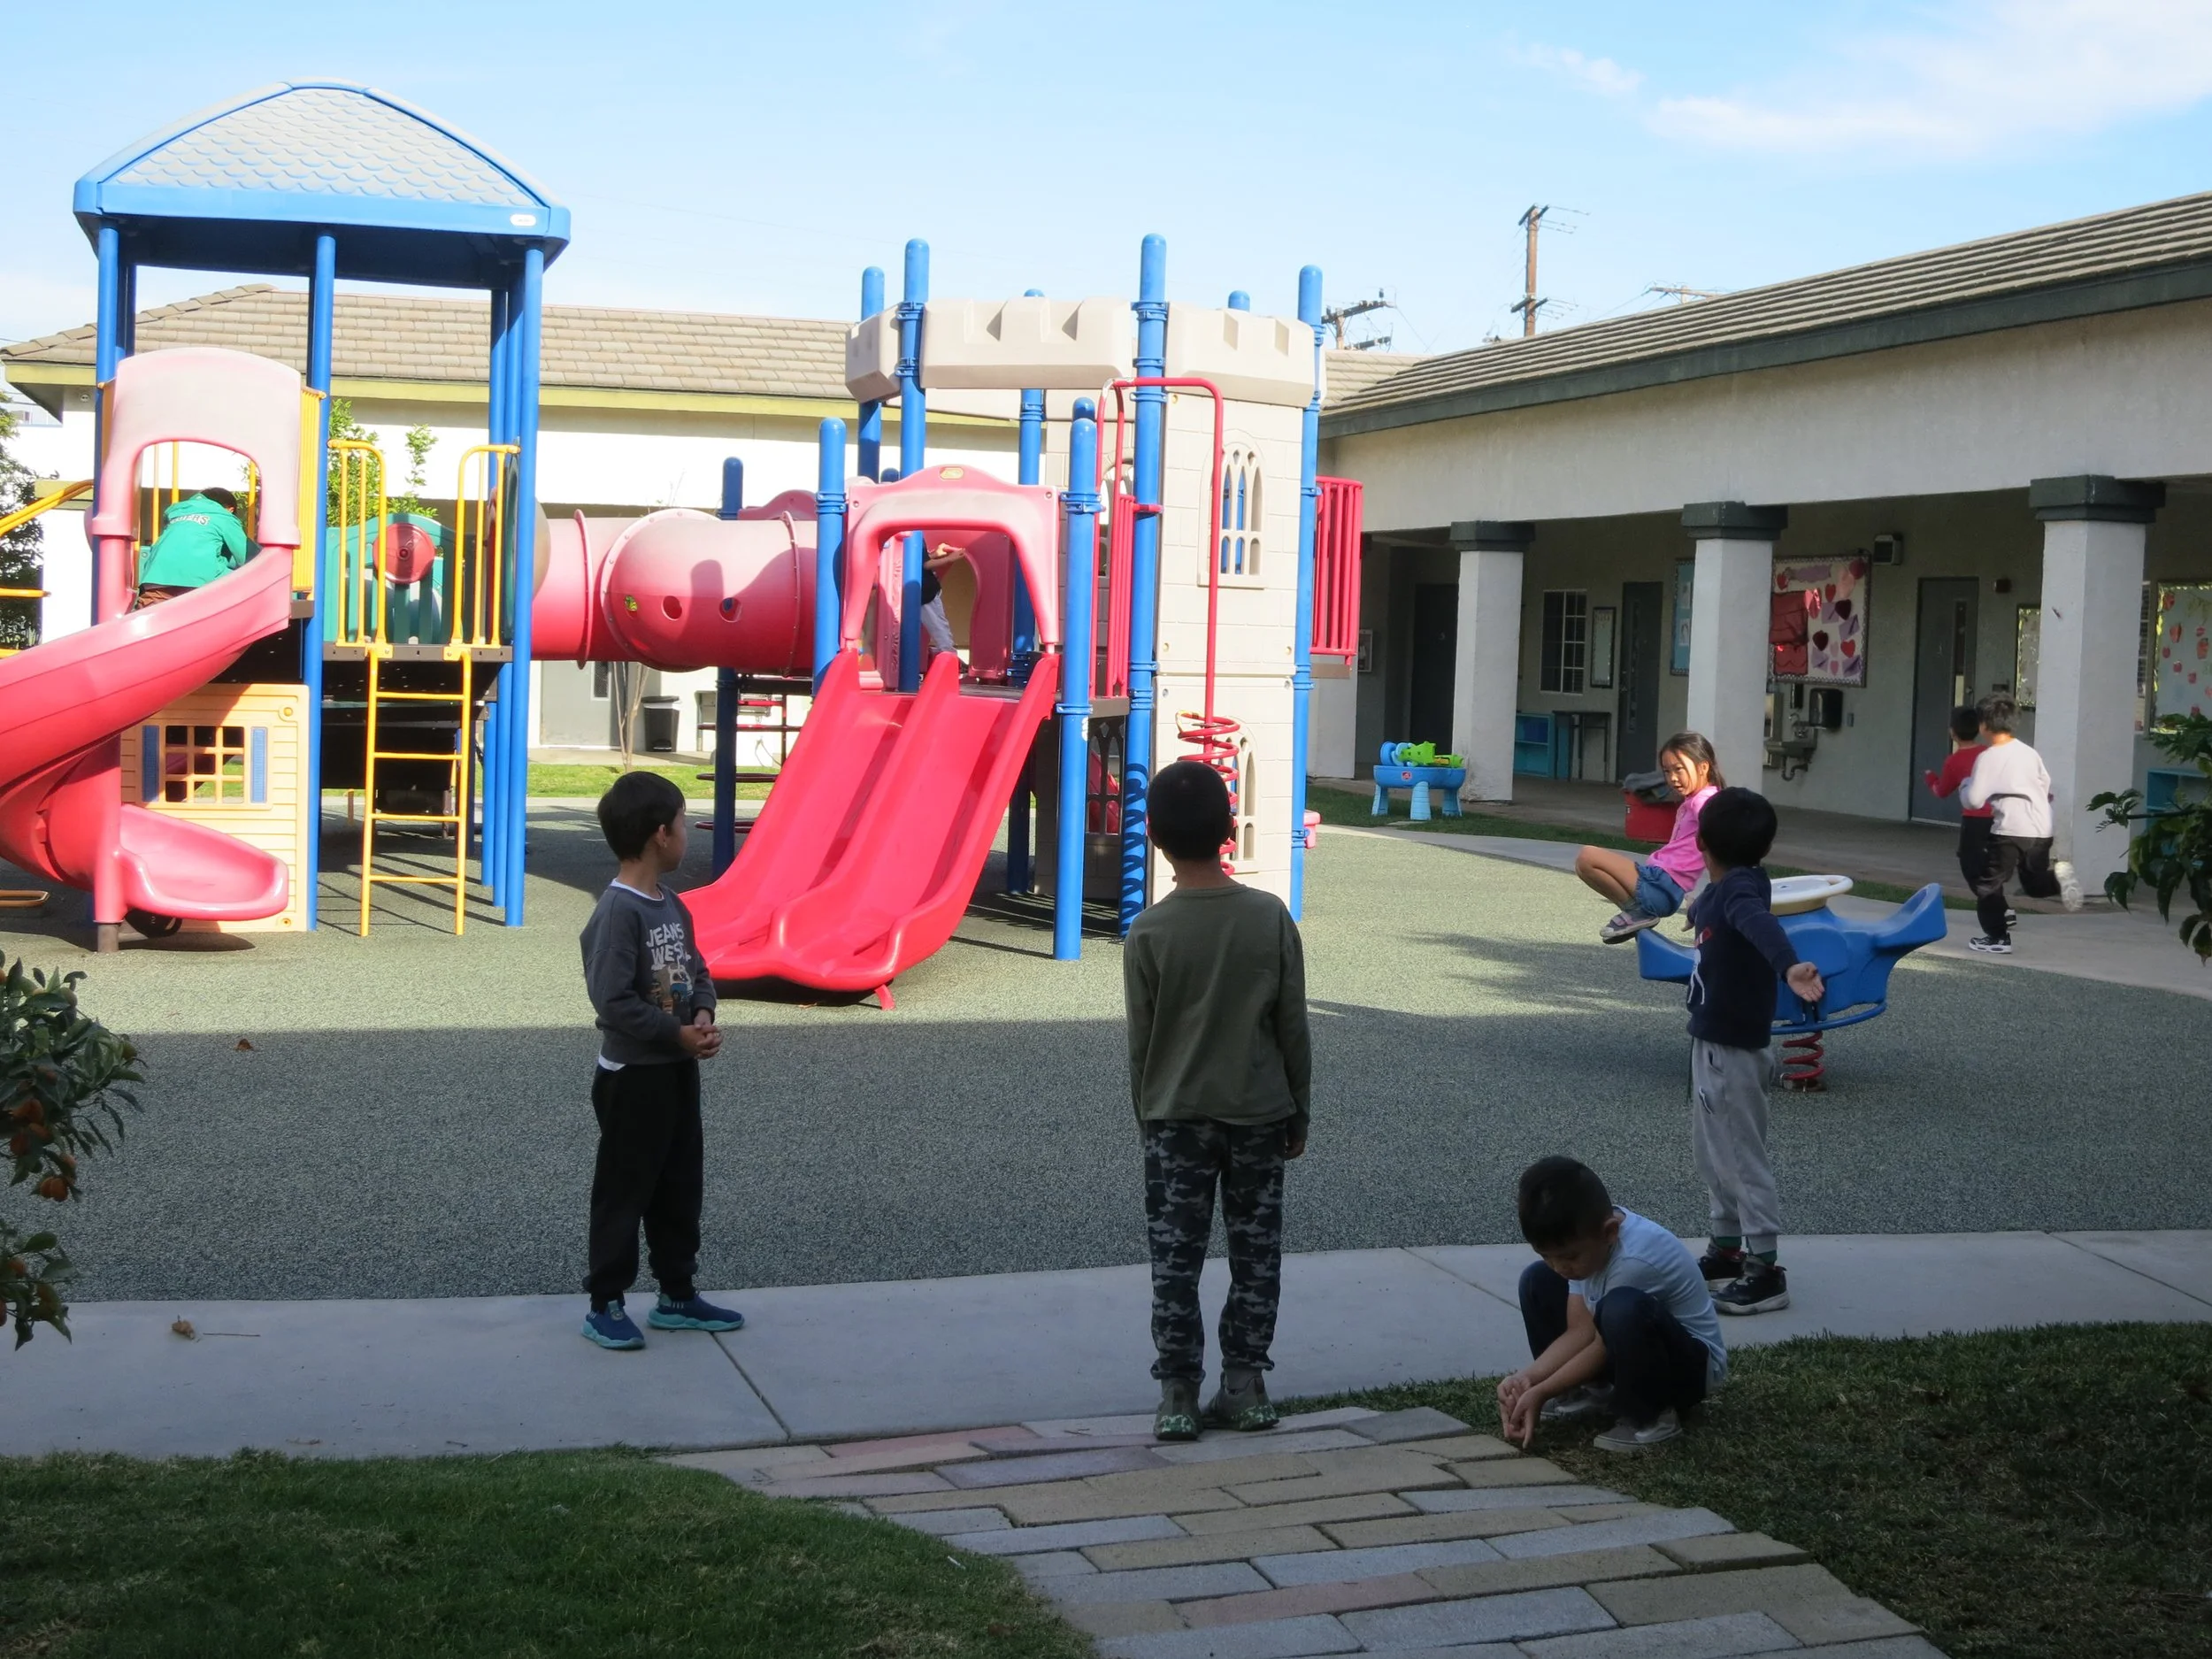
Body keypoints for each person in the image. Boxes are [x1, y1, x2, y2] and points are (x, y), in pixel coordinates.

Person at [1125, 759, 1311, 1440]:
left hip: (1175, 1117)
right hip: (1260, 1112)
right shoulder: (1269, 918)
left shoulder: (1147, 932)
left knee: (1176, 1258)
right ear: (1230, 829)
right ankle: (1245, 1381)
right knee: (1255, 1254)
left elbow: (1141, 1042)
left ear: (1154, 835)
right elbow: (1292, 1024)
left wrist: (1147, 1115)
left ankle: (1177, 1390)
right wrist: (1300, 1106)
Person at [577, 772, 744, 1350]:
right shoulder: (617, 913)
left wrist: (701, 1012)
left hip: (675, 1070)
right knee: (626, 1189)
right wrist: (676, 1034)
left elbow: (697, 968)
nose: (685, 834)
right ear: (659, 835)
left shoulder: (672, 904)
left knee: (679, 1184)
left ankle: (677, 1292)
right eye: (680, 823)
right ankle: (605, 1302)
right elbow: (613, 1001)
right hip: (633, 1080)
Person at [1683, 787, 1824, 1314]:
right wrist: (1701, 905)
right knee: (1714, 1152)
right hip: (1713, 1039)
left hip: (1732, 1047)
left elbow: (1758, 923)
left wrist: (1788, 965)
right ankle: (1726, 1251)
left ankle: (1765, 1270)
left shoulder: (1740, 890)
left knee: (1741, 1156)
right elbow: (1728, 904)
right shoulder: (1735, 883)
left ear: (1700, 842)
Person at [1498, 1156, 1727, 1453]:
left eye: (1567, 1257)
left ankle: (1654, 1417)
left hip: (1690, 1370)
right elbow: (1580, 1330)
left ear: (1610, 1232)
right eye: (1547, 1255)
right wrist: (1526, 1378)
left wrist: (1543, 1390)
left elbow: (1599, 1344)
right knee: (1537, 1280)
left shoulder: (1634, 1260)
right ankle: (1589, 1393)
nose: (1559, 1266)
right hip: (1627, 1345)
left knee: (1621, 1307)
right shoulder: (1588, 1241)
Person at [1576, 733, 1721, 945]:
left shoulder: (1705, 801)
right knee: (1583, 866)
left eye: (1678, 769)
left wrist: (1707, 896)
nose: (1672, 778)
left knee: (1587, 856)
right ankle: (1638, 913)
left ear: (1703, 768)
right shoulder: (1694, 800)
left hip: (1662, 885)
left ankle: (1639, 913)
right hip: (1663, 886)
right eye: (1667, 771)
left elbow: (1720, 841)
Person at [1957, 695, 2055, 956]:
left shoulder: (1989, 757)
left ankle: (1997, 937)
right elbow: (2045, 784)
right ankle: (2063, 878)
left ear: (1983, 725)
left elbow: (1975, 800)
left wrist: (1965, 786)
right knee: (2034, 883)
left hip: (2010, 830)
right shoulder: (2029, 753)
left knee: (1987, 884)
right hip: (2042, 827)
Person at [1924, 704, 2008, 926]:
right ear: (1979, 729)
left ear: (1953, 732)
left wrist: (1931, 779)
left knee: (1972, 868)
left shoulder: (1954, 761)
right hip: (1998, 817)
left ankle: (1996, 914)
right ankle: (2002, 908)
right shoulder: (1989, 754)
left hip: (1975, 820)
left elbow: (1941, 791)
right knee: (1991, 864)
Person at [134, 487, 252, 607]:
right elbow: (248, 558)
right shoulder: (224, 516)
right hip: (198, 587)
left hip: (154, 585)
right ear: (230, 509)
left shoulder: (176, 514)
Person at [919, 544, 962, 665]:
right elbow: (925, 564)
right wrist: (949, 559)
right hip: (925, 592)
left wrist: (933, 555)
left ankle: (948, 660)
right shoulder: (916, 533)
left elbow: (919, 560)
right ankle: (949, 663)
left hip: (917, 590)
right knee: (940, 630)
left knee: (938, 628)